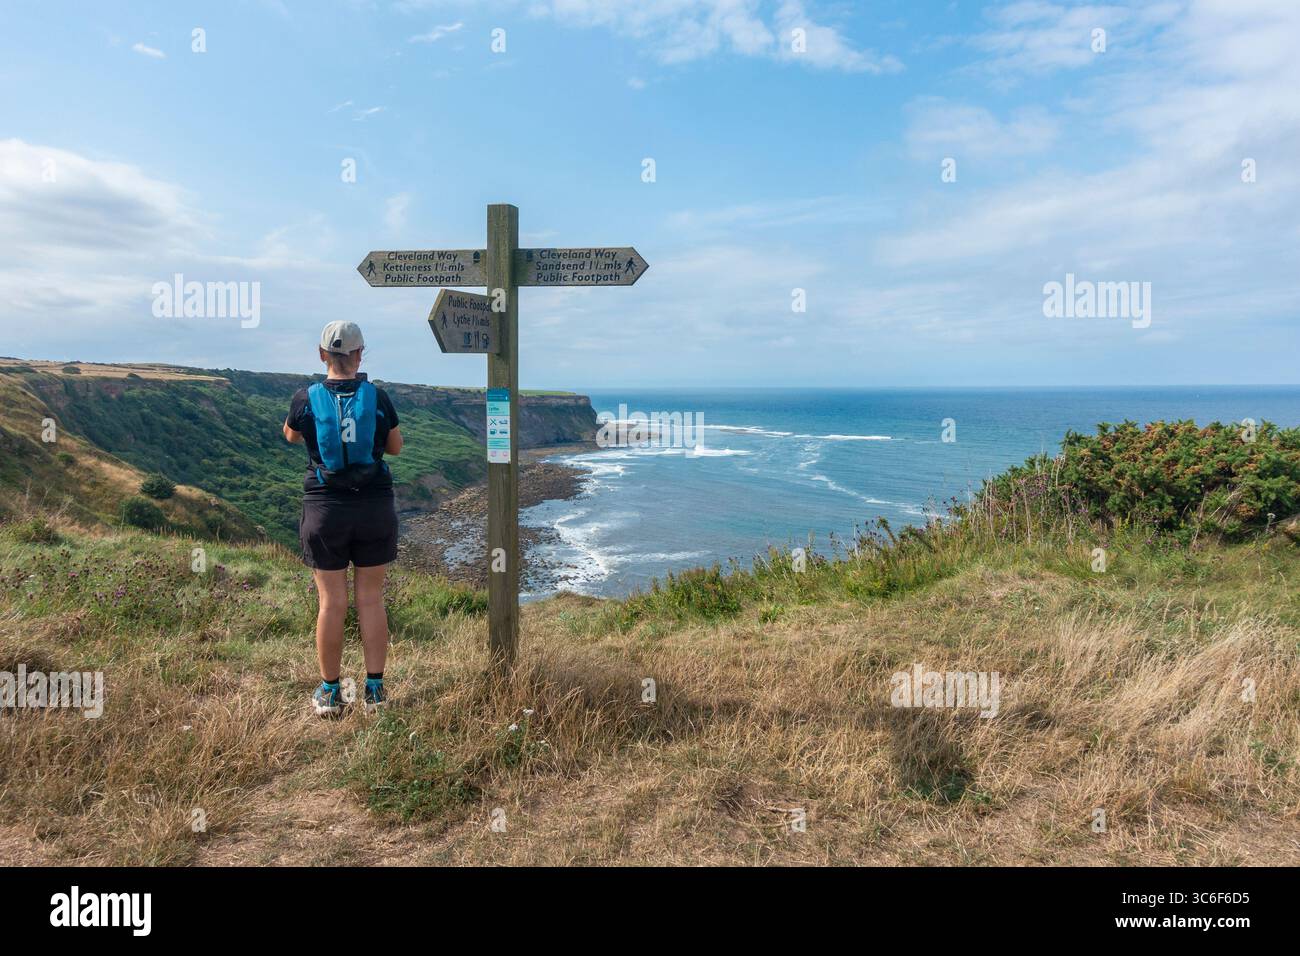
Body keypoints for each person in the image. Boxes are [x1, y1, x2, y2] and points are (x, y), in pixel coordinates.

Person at [283, 321, 403, 716]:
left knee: (331, 602)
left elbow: (290, 435)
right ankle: (374, 691)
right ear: (359, 355)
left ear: (322, 355)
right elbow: (396, 448)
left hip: (325, 509)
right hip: (373, 507)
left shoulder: (305, 398)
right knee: (370, 599)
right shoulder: (378, 397)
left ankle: (331, 693)